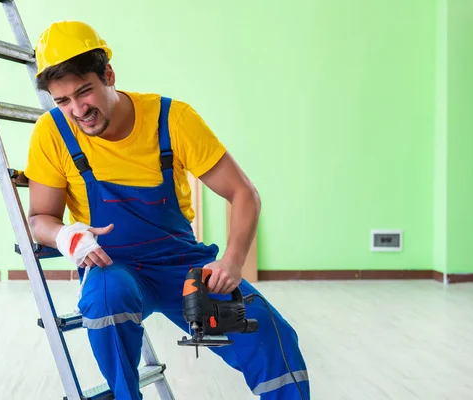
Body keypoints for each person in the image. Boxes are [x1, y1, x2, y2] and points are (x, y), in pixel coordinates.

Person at [24, 20, 310, 399]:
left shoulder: (171, 119)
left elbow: (243, 193)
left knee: (269, 333)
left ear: (108, 74)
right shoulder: (52, 132)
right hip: (114, 266)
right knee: (105, 297)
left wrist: (232, 261)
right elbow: (39, 219)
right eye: (63, 101)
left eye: (85, 92)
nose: (78, 110)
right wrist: (65, 234)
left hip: (183, 268)